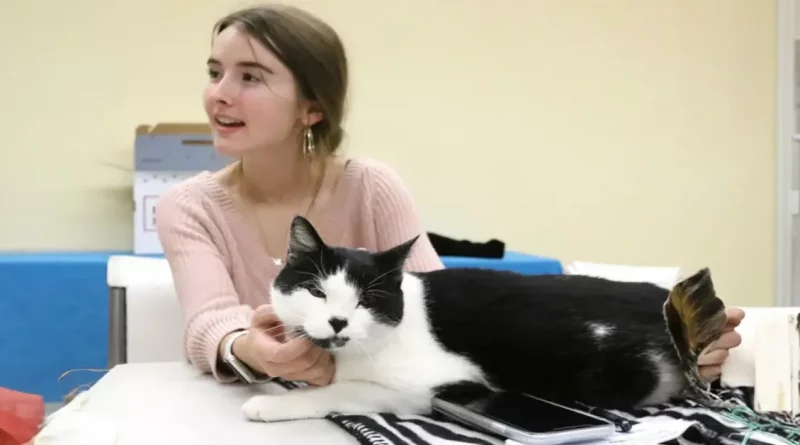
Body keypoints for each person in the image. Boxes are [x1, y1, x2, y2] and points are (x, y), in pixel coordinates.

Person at [156, 4, 743, 388]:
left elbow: (443, 310)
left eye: (250, 76)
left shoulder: (371, 186)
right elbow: (211, 320)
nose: (218, 96)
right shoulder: (188, 207)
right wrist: (249, 349)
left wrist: (659, 344)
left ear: (313, 107)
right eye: (214, 72)